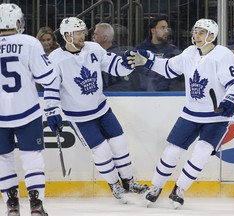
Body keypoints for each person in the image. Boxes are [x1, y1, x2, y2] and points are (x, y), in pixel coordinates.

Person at [126, 19, 234, 208]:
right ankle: (155, 188)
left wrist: (230, 100)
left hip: (217, 117)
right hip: (191, 113)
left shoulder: (223, 55)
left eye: (201, 32)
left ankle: (179, 190)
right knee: (172, 151)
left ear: (211, 36)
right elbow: (168, 68)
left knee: (201, 153)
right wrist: (147, 62)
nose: (196, 35)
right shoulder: (189, 53)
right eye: (195, 31)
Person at [43, 17, 149, 203]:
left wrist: (127, 63)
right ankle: (115, 186)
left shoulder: (94, 48)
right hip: (79, 117)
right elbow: (51, 88)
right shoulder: (55, 59)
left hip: (102, 108)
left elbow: (115, 67)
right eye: (78, 33)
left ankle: (129, 181)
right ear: (67, 35)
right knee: (102, 151)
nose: (83, 35)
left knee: (120, 144)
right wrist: (52, 111)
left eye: (83, 31)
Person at [0, 3, 59, 216]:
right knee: (32, 158)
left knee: (3, 159)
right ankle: (36, 205)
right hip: (26, 110)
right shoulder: (29, 43)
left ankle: (12, 205)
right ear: (17, 22)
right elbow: (49, 78)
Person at [131, 15, 183, 91]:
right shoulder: (140, 50)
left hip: (168, 96)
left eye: (167, 28)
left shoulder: (173, 51)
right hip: (142, 95)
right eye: (162, 28)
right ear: (153, 31)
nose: (166, 31)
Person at [92, 22, 130, 91]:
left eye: (96, 34)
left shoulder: (118, 59)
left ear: (104, 38)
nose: (93, 37)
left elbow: (122, 86)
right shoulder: (92, 55)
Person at [36, 26, 60, 92]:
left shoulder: (59, 53)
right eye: (43, 40)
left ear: (53, 39)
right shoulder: (34, 54)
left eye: (48, 39)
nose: (46, 43)